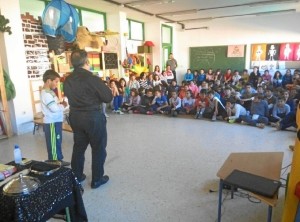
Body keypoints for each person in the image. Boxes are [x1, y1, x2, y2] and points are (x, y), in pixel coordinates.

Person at [64, 49, 113, 189]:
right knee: (98, 148)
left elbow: (69, 95)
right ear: (87, 62)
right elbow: (108, 97)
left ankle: (77, 177)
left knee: (78, 147)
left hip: (75, 117)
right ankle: (97, 179)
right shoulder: (92, 78)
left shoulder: (67, 79)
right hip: (93, 117)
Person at [41, 70, 70, 166]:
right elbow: (54, 109)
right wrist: (64, 105)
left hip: (55, 121)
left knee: (57, 141)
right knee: (53, 143)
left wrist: (60, 104)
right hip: (51, 123)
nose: (57, 84)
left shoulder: (50, 92)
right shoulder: (46, 94)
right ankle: (54, 163)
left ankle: (59, 160)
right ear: (49, 81)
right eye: (56, 81)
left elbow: (55, 105)